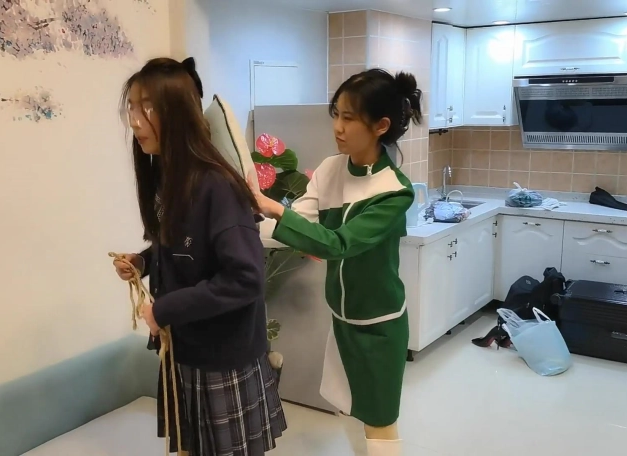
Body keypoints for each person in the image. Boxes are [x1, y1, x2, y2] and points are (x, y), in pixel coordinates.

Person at [113, 57, 286, 456]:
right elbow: (182, 248)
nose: (135, 121)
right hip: (185, 347)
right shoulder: (168, 179)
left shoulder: (217, 186)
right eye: (132, 108)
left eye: (148, 108)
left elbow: (245, 278)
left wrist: (165, 309)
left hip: (221, 356)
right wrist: (143, 262)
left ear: (178, 115)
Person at [249, 68, 421, 456]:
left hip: (378, 327)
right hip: (342, 320)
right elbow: (295, 224)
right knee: (347, 409)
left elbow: (338, 244)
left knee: (379, 422)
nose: (338, 127)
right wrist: (238, 225)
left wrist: (273, 207)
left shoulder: (394, 191)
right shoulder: (330, 169)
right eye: (336, 114)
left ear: (380, 126)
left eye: (349, 118)